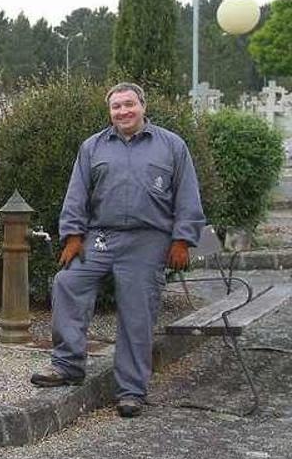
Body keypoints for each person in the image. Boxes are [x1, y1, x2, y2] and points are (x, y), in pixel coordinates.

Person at [30, 82, 205, 418]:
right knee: (68, 282)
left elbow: (187, 195)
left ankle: (131, 391)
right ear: (109, 111)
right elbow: (77, 193)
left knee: (137, 312)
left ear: (143, 106)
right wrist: (72, 236)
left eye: (129, 105)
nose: (123, 112)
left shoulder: (171, 146)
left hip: (147, 239)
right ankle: (68, 365)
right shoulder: (93, 147)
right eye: (116, 107)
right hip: (100, 237)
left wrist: (182, 239)